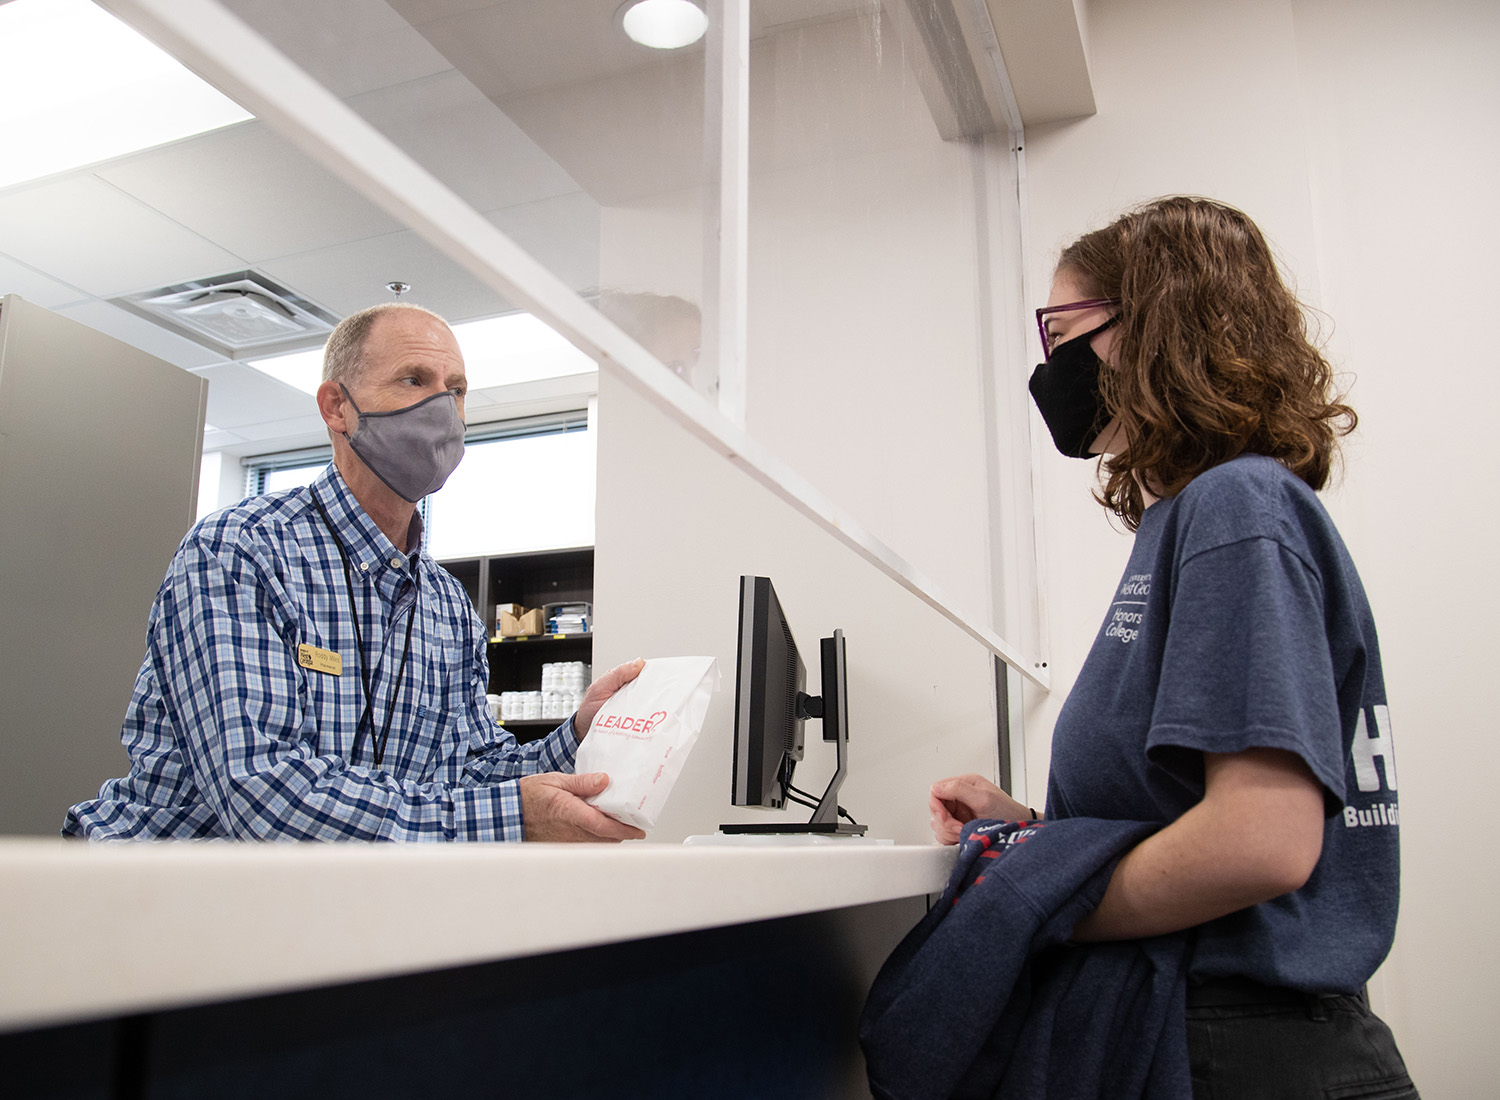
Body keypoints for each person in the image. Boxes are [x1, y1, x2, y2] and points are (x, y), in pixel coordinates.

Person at [928, 197, 1417, 1098]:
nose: (1052, 365)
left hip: (1241, 1050)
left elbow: (1259, 843)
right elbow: (1188, 808)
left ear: (1154, 328)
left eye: (1064, 330)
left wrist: (1036, 898)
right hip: (1215, 1036)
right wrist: (1038, 835)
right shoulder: (1194, 519)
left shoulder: (1236, 509)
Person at [65, 302, 643, 843]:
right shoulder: (243, 551)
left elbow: (469, 769)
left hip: (323, 908)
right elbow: (265, 794)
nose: (444, 409)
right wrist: (513, 817)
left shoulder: (446, 604)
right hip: (157, 901)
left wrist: (576, 737)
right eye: (414, 380)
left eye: (457, 390)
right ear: (336, 407)